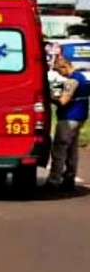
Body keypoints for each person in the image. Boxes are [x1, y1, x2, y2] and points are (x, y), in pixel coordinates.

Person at [46, 55, 89, 192]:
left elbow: (63, 101)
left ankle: (54, 180)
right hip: (80, 117)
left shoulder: (72, 81)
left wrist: (49, 96)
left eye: (60, 71)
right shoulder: (83, 78)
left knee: (59, 149)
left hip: (68, 118)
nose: (61, 75)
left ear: (65, 67)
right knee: (72, 149)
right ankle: (69, 178)